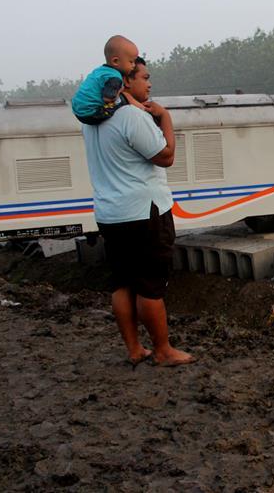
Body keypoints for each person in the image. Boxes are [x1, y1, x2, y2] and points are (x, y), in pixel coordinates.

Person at [82, 56, 195, 368]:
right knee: (150, 284)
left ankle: (134, 348)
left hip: (110, 213)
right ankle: (163, 350)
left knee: (122, 283)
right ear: (125, 82)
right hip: (144, 212)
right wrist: (166, 119)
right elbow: (166, 156)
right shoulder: (131, 116)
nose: (150, 83)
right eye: (144, 77)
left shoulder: (92, 119)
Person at [72, 35, 140, 125]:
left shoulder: (100, 71)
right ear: (115, 61)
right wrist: (119, 92)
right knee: (123, 101)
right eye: (131, 62)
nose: (134, 65)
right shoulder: (115, 77)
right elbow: (108, 98)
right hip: (90, 114)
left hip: (77, 110)